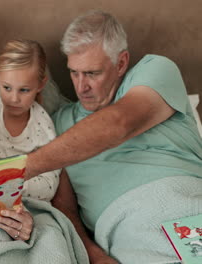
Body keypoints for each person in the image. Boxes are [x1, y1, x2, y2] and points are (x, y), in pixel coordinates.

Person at [25, 10, 202, 263]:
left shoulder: (154, 71)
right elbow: (64, 207)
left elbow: (119, 123)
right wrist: (94, 255)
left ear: (121, 63)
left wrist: (26, 167)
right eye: (74, 72)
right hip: (124, 229)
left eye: (92, 73)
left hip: (181, 200)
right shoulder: (57, 124)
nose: (81, 86)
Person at [0, 39, 60, 202]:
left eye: (24, 90)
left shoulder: (43, 126)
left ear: (40, 85)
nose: (14, 98)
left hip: (32, 204)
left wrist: (8, 187)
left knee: (49, 228)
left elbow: (49, 185)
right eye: (7, 88)